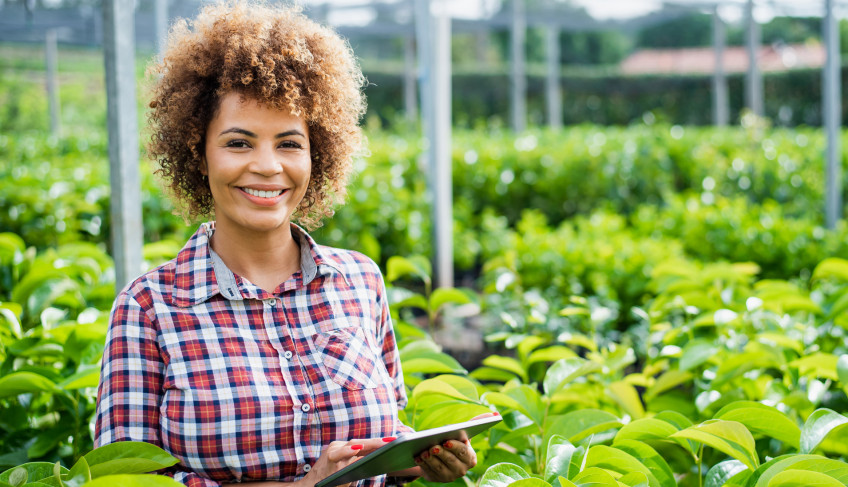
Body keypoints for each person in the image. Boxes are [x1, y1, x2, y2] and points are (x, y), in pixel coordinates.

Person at [93, 2, 479, 486]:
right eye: (239, 143)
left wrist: (422, 457)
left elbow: (384, 436)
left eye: (289, 143)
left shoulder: (359, 280)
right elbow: (124, 478)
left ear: (319, 153)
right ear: (198, 152)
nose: (268, 166)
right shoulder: (149, 309)